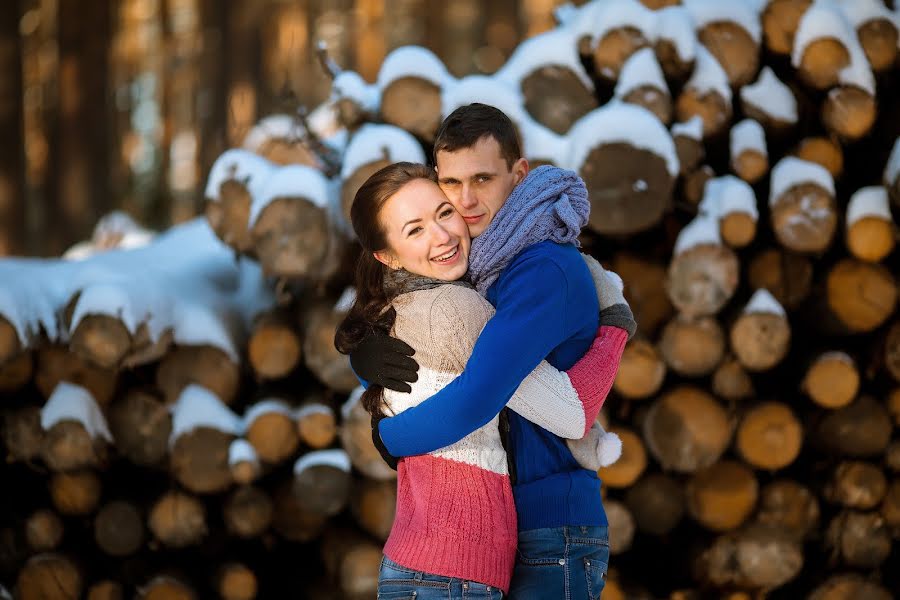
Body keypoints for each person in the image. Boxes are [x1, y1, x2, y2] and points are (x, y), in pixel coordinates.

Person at [349, 104, 636, 599]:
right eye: (451, 185)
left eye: (482, 179)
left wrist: (389, 437)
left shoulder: (538, 269)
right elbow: (432, 353)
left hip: (549, 526)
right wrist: (364, 354)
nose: (465, 200)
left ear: (518, 173)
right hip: (498, 527)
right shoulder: (477, 265)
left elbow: (490, 393)